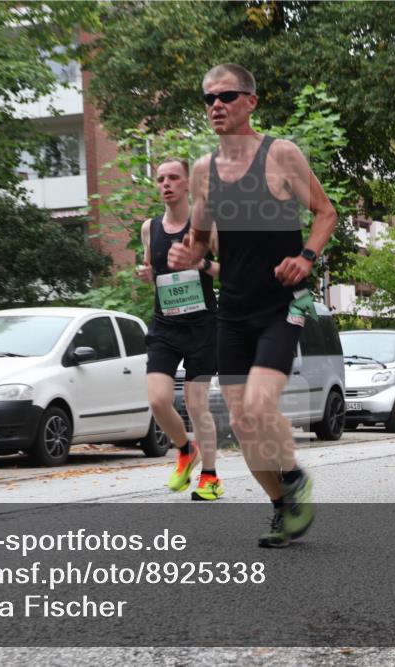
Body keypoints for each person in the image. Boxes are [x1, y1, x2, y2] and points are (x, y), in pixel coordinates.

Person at [168, 63, 337, 548]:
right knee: (241, 424)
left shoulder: (280, 155)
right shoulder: (202, 172)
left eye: (227, 96)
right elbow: (201, 240)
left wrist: (306, 257)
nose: (216, 105)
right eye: (208, 99)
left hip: (281, 306)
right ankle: (284, 505)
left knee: (260, 407)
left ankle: (292, 477)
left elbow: (325, 213)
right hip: (233, 312)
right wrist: (188, 254)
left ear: (250, 102)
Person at [136, 158, 223, 500]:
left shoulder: (206, 225)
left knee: (196, 404)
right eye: (160, 179)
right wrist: (147, 276)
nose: (166, 184)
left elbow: (226, 270)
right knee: (158, 400)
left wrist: (199, 262)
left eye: (173, 177)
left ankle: (211, 477)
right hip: (165, 326)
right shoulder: (149, 228)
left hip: (202, 325)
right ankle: (186, 449)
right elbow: (152, 270)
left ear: (188, 184)